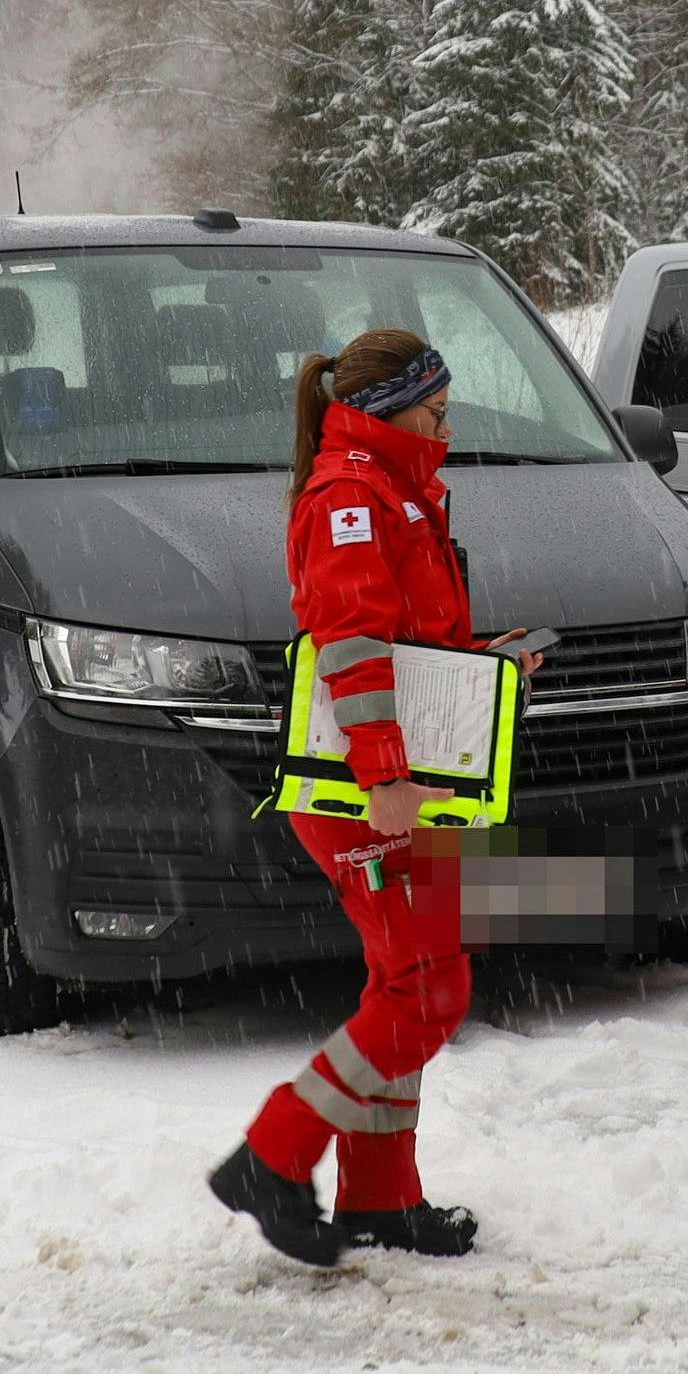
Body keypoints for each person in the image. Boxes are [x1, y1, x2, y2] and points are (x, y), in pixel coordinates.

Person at [210, 329, 487, 1265]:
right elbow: (353, 648)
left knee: (404, 983)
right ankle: (273, 1154)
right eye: (435, 406)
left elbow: (410, 637)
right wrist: (385, 775)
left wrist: (487, 669)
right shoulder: (352, 498)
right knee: (428, 988)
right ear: (389, 407)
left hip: (408, 782)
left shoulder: (398, 486)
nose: (447, 421)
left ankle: (380, 1198)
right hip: (367, 792)